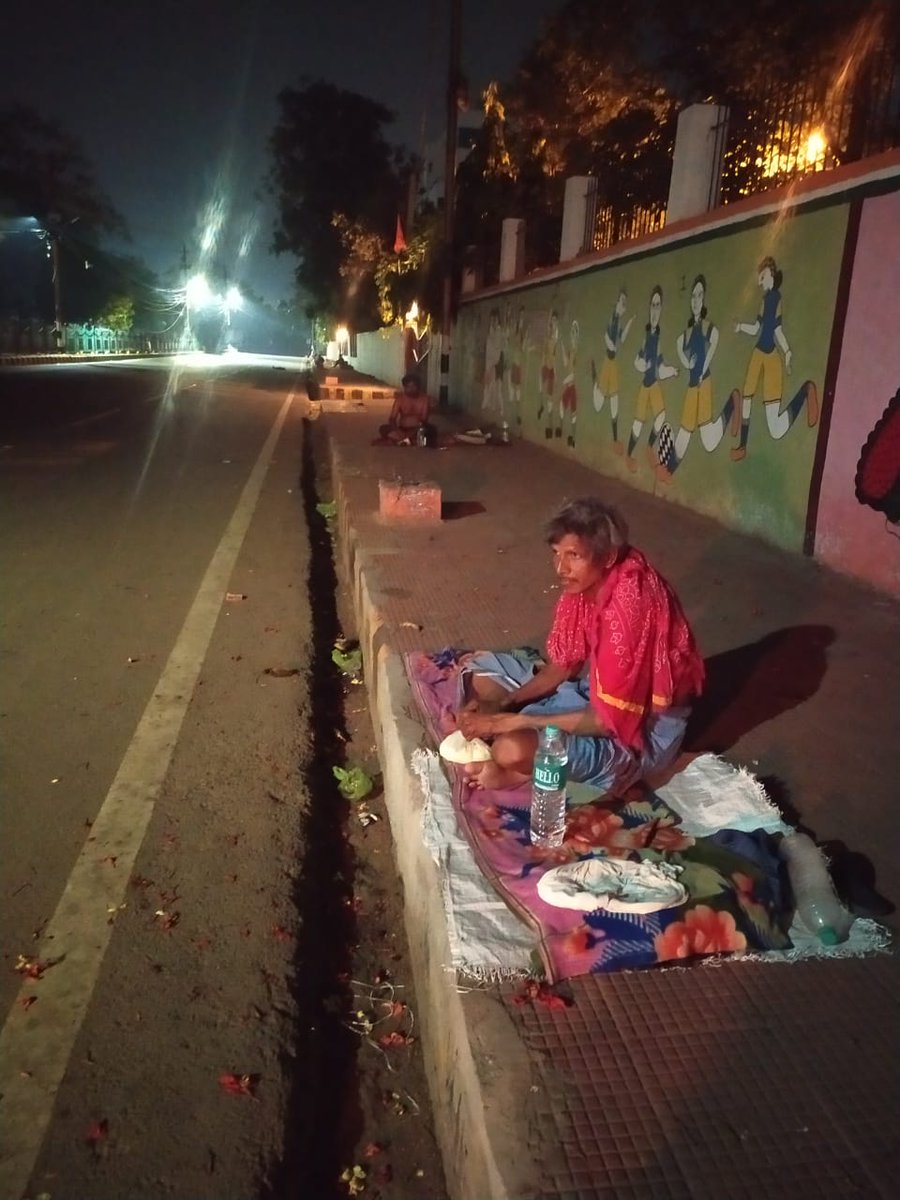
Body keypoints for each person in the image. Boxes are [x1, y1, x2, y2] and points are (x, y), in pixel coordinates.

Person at [457, 497, 705, 795]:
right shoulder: (584, 582)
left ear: (608, 557)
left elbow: (607, 721)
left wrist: (508, 722)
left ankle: (518, 773)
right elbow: (564, 665)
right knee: (482, 673)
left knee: (509, 748)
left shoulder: (628, 607)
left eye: (574, 555)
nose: (561, 568)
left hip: (644, 730)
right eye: (556, 554)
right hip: (599, 695)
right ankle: (522, 752)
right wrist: (505, 704)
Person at [379, 372, 437, 444]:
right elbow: (392, 418)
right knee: (383, 429)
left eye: (413, 387)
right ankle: (410, 440)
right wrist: (398, 431)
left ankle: (403, 440)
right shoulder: (400, 400)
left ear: (418, 387)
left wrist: (413, 432)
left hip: (418, 429)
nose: (410, 389)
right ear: (404, 387)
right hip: (402, 429)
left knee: (431, 430)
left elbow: (424, 420)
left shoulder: (424, 399)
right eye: (408, 387)